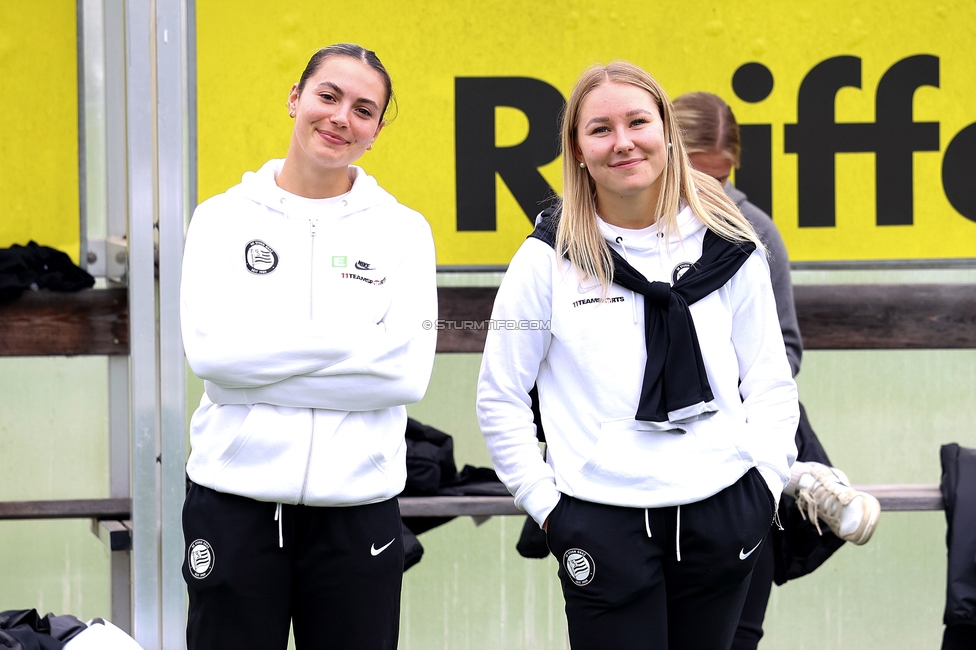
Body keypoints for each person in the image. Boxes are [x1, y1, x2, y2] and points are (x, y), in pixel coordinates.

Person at [476, 61, 799, 649]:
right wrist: (551, 509)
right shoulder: (546, 259)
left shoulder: (731, 248)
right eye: (600, 129)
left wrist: (764, 485)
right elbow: (500, 396)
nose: (622, 142)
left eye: (637, 122)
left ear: (667, 132)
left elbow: (771, 383)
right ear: (577, 149)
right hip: (601, 520)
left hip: (724, 510)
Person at [179, 43, 437, 650]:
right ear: (296, 98)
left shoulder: (403, 230)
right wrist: (357, 342)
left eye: (364, 109)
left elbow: (404, 377)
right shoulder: (220, 219)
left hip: (358, 509)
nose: (341, 117)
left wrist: (259, 363)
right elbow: (214, 360)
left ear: (375, 131)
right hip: (234, 503)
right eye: (328, 96)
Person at [673, 90, 881, 650]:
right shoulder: (618, 227)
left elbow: (785, 350)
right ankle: (804, 477)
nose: (713, 192)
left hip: (738, 432)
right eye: (700, 176)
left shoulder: (753, 229)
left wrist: (728, 391)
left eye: (723, 177)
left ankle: (796, 475)